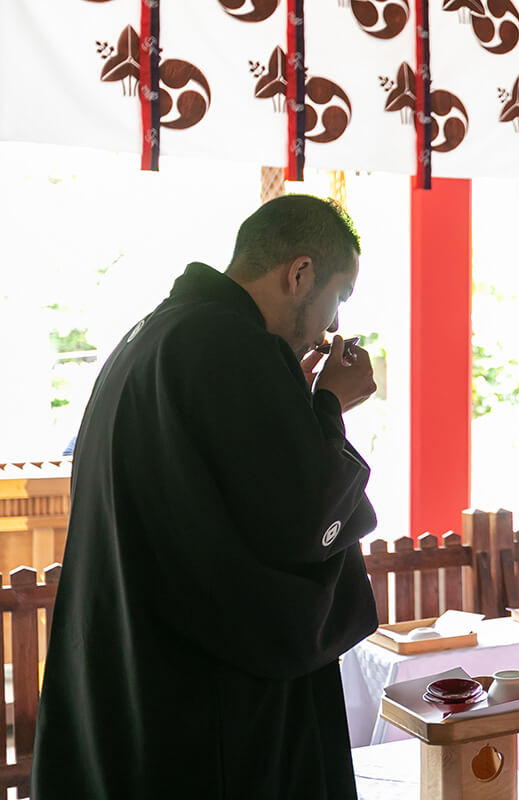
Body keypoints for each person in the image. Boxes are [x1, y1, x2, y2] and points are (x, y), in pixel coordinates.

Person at [33, 195, 380, 799]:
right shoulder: (230, 346)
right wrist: (327, 407)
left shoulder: (156, 333)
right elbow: (301, 520)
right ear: (299, 274)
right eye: (338, 297)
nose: (332, 325)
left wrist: (289, 406)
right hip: (205, 702)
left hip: (137, 670)